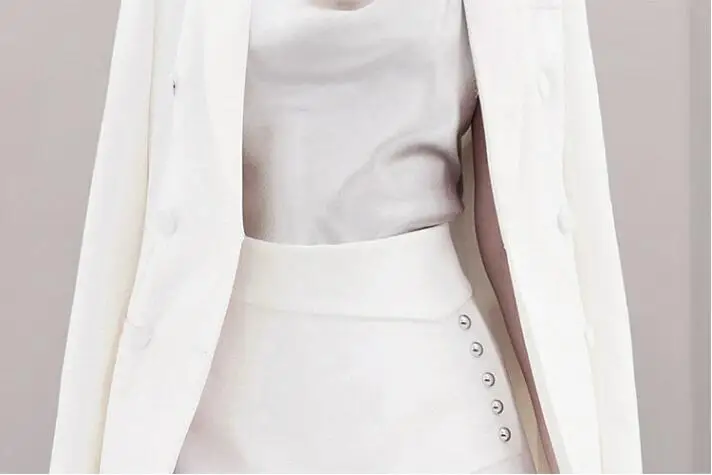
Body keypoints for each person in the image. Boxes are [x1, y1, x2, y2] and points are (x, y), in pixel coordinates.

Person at [49, 0, 642, 473]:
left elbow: (528, 231)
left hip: (437, 403)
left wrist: (579, 451)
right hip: (230, 402)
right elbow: (127, 208)